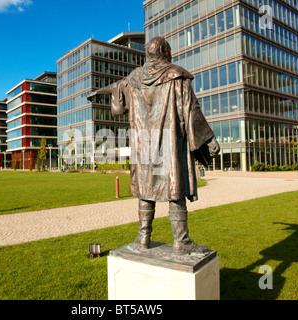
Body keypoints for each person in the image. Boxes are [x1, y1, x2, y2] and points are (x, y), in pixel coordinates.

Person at [87, 37, 220, 255]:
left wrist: (100, 92)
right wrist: (209, 139)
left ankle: (143, 239)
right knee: (175, 189)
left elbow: (117, 93)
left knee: (146, 190)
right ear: (166, 52)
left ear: (148, 54)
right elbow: (191, 109)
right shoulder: (177, 76)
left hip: (145, 145)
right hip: (170, 143)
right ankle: (181, 241)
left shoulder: (135, 79)